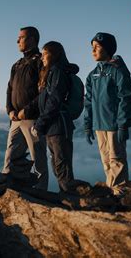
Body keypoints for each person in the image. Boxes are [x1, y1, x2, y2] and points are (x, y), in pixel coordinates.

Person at [83, 32, 131, 195]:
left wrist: (122, 124)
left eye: (97, 47)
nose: (93, 51)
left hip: (114, 124)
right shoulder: (92, 75)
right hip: (99, 124)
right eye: (92, 47)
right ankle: (112, 191)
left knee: (117, 160)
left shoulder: (117, 71)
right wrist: (87, 125)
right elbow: (88, 101)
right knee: (106, 161)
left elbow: (125, 97)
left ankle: (119, 193)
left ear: (108, 49)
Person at [3, 26, 48, 190]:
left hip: (33, 119)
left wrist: (26, 111)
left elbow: (43, 91)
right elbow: (9, 89)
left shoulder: (40, 62)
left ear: (32, 39)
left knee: (38, 159)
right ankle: (8, 189)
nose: (17, 41)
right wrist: (10, 110)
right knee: (10, 156)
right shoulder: (17, 64)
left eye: (21, 37)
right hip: (16, 119)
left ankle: (41, 192)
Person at [31, 41, 79, 193]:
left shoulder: (57, 71)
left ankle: (71, 201)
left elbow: (54, 100)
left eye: (45, 53)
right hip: (52, 128)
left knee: (61, 166)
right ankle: (67, 199)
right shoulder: (51, 72)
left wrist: (39, 124)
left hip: (59, 126)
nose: (42, 57)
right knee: (58, 166)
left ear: (54, 55)